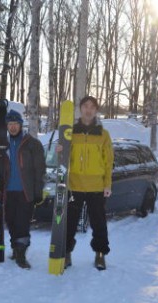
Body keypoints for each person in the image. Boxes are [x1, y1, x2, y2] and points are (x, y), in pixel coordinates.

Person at [0, 109, 46, 269]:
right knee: (11, 222)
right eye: (10, 124)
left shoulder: (32, 144)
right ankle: (15, 247)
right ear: (7, 126)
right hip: (8, 193)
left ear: (21, 125)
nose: (13, 127)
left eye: (16, 124)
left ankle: (21, 254)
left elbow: (40, 170)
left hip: (25, 193)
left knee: (22, 224)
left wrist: (38, 192)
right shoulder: (3, 145)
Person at [63, 96, 114, 270]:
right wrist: (58, 151)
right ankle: (66, 253)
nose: (88, 110)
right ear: (80, 108)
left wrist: (107, 184)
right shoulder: (71, 132)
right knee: (69, 223)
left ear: (96, 110)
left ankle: (100, 254)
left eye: (92, 107)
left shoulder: (103, 134)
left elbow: (108, 162)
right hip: (74, 186)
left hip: (96, 187)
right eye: (85, 106)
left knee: (99, 223)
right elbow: (62, 159)